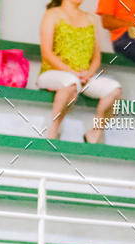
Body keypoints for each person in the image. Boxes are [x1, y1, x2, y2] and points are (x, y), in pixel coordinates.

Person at [38, 0, 122, 143]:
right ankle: (54, 130)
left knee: (114, 90)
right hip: (53, 72)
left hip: (83, 76)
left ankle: (95, 133)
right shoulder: (51, 15)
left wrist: (89, 73)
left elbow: (96, 56)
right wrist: (72, 72)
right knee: (71, 84)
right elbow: (47, 53)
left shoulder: (91, 18)